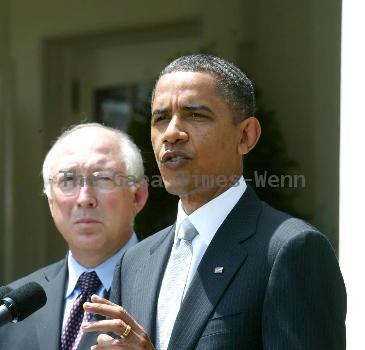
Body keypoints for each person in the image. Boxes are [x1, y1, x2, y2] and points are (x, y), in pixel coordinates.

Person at [82, 54, 346, 349]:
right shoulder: (135, 263)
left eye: (195, 115)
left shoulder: (289, 250)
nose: (172, 133)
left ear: (246, 135)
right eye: (161, 118)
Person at [0, 123, 148, 350]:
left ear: (137, 195)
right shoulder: (14, 309)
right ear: (51, 203)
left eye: (102, 178)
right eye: (67, 181)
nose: (84, 198)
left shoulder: (173, 284)